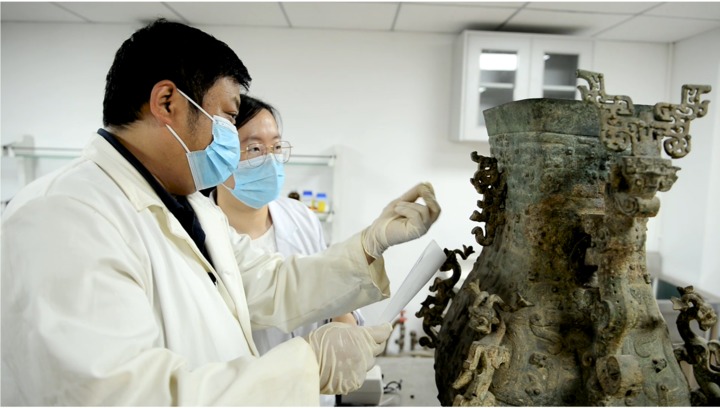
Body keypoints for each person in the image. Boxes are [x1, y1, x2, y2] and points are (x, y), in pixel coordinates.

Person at [0, 19, 441, 406]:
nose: (231, 137)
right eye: (228, 118)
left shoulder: (190, 205)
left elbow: (268, 283)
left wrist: (369, 244)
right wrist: (309, 366)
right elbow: (123, 397)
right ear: (167, 102)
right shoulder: (63, 217)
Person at [211, 94, 361, 406]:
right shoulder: (200, 233)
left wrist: (344, 324)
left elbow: (331, 293)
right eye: (255, 149)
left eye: (277, 147)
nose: (271, 159)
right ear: (220, 154)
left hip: (312, 394)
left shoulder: (301, 218)